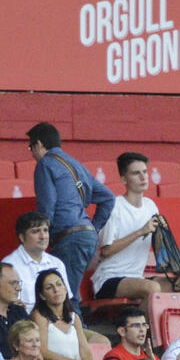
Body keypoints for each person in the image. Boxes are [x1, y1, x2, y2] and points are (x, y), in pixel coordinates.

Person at [25, 125, 115, 302]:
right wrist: (93, 228)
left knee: (64, 298)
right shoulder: (77, 165)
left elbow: (47, 205)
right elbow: (108, 198)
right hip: (87, 237)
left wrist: (41, 237)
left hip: (68, 237)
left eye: (31, 148)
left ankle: (76, 321)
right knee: (68, 293)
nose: (32, 154)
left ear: (39, 144)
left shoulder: (45, 164)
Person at [89, 152, 180, 303]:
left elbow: (157, 245)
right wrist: (140, 232)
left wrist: (162, 233)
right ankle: (144, 320)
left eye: (145, 172)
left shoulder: (151, 206)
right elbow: (106, 251)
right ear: (124, 179)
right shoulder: (115, 206)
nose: (143, 177)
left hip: (137, 277)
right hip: (108, 278)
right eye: (136, 173)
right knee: (152, 288)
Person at [32, 270, 99, 360]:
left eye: (59, 284)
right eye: (49, 287)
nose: (56, 290)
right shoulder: (40, 316)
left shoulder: (74, 317)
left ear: (66, 289)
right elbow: (42, 351)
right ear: (42, 295)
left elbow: (84, 349)